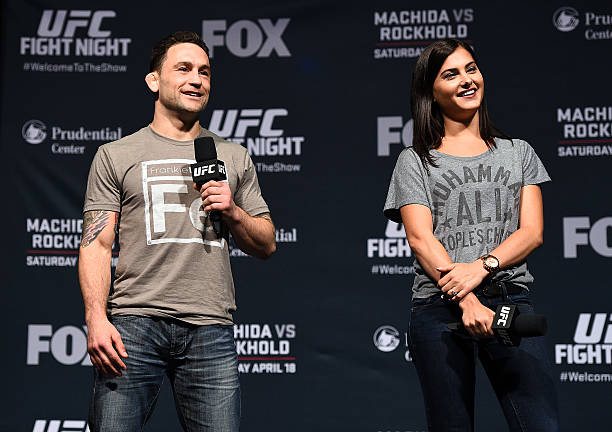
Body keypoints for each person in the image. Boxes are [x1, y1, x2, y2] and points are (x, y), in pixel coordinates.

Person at [78, 31, 276, 431]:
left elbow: (267, 243)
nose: (196, 80)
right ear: (154, 80)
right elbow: (97, 245)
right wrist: (96, 318)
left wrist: (234, 213)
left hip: (209, 327)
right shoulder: (116, 155)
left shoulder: (233, 155)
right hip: (133, 325)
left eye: (204, 71)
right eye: (183, 69)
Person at [383, 39, 559, 431]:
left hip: (508, 301)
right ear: (431, 91)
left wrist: (481, 267)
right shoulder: (415, 161)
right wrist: (467, 301)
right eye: (451, 74)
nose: (466, 80)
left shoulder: (518, 152)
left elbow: (532, 233)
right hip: (439, 307)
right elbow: (421, 239)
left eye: (471, 69)